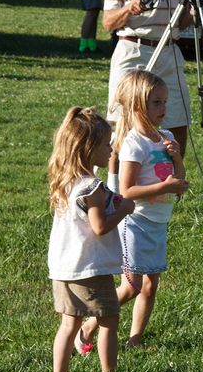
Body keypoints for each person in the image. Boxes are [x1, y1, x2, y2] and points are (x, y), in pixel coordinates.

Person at [77, 70, 189, 350]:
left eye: (165, 101)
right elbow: (126, 192)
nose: (164, 108)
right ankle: (88, 326)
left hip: (158, 222)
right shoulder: (134, 144)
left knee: (151, 286)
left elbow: (180, 175)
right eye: (157, 103)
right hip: (136, 222)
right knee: (131, 287)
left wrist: (176, 158)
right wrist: (165, 188)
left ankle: (135, 339)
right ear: (139, 105)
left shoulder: (164, 137)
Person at [47, 107, 135, 372]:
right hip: (90, 270)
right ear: (88, 149)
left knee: (68, 324)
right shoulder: (91, 188)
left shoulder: (66, 182)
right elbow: (99, 226)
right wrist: (124, 210)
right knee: (109, 321)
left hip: (64, 268)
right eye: (106, 144)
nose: (111, 149)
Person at [103, 0, 193, 192]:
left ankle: (166, 181)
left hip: (169, 49)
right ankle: (115, 188)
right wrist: (130, 8)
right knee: (122, 121)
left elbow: (181, 22)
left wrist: (193, 8)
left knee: (178, 118)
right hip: (134, 48)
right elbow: (108, 22)